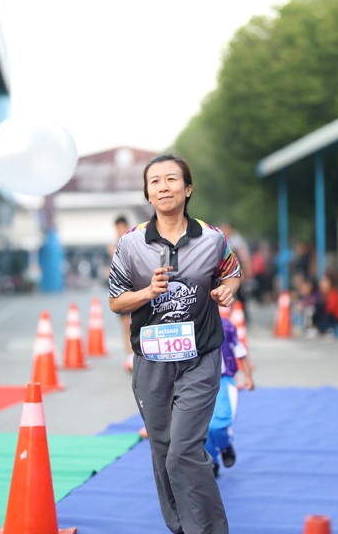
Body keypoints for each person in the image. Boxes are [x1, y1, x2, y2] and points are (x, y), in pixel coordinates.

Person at [109, 154, 241, 534]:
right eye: (155, 181)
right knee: (164, 450)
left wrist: (228, 290)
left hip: (200, 357)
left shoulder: (212, 239)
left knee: (184, 450)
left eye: (171, 179)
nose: (163, 187)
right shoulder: (130, 244)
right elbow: (116, 300)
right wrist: (147, 292)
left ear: (188, 189)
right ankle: (181, 526)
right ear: (148, 193)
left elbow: (232, 271)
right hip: (151, 361)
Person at [205, 310, 254, 478]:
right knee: (200, 427)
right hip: (196, 382)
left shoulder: (226, 326)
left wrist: (248, 377)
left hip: (223, 380)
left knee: (217, 425)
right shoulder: (187, 324)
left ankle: (225, 445)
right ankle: (211, 460)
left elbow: (241, 352)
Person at [108, 216, 133, 371]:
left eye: (122, 227)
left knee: (134, 324)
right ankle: (130, 357)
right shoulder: (113, 247)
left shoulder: (133, 242)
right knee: (125, 325)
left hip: (134, 289)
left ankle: (137, 355)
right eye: (118, 228)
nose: (120, 230)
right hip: (121, 290)